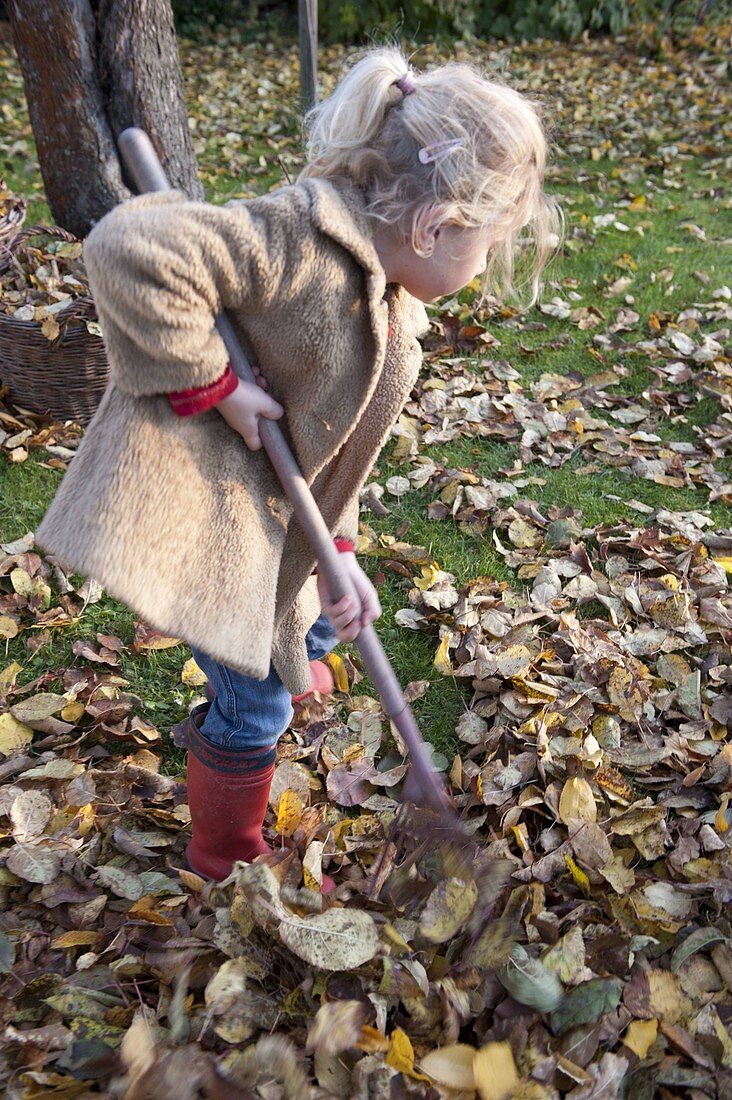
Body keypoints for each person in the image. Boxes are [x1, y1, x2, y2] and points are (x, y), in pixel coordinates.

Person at [38, 47, 560, 884]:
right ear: (434, 225)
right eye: (487, 248)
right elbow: (130, 246)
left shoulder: (392, 303)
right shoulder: (296, 241)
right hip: (216, 518)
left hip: (288, 520)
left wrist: (342, 557)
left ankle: (300, 639)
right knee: (255, 706)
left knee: (323, 611)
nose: (482, 270)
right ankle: (223, 851)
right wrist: (213, 383)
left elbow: (336, 458)